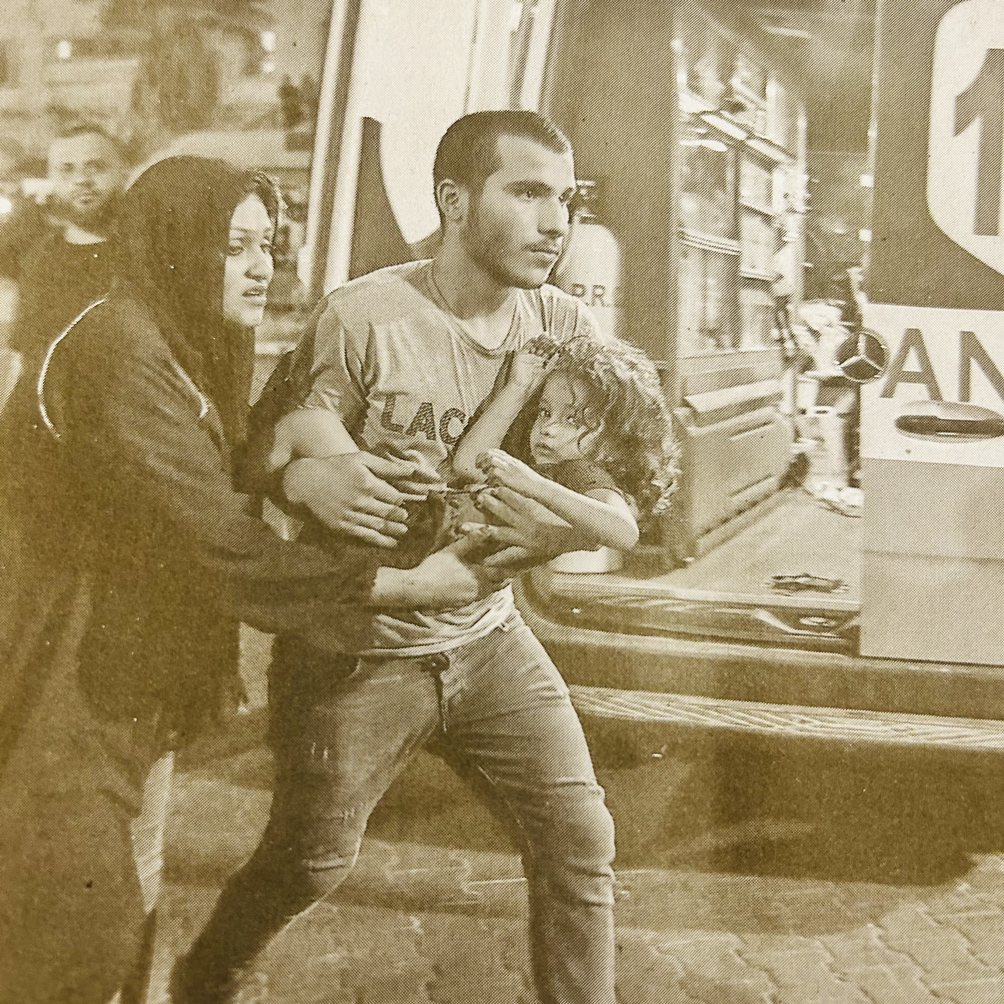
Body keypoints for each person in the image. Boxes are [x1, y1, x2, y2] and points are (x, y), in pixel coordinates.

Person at [0, 155, 499, 1004]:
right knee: (76, 929)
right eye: (234, 247)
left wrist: (304, 473)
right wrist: (413, 586)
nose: (260, 267)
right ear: (176, 245)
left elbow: (216, 470)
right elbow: (218, 543)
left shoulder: (182, 335)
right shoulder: (118, 346)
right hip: (60, 669)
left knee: (132, 887)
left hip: (128, 670)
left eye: (267, 244)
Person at [174, 110, 622, 1004]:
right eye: (528, 194)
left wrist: (572, 526)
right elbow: (259, 456)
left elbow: (596, 471)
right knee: (311, 859)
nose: (556, 224)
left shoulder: (563, 322)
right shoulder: (365, 315)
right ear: (454, 201)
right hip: (356, 651)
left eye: (566, 201)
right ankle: (205, 979)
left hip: (489, 638)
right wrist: (305, 479)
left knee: (581, 842)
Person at [450, 333, 676, 565]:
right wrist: (518, 387)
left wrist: (532, 484)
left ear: (615, 443)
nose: (548, 428)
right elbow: (468, 464)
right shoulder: (544, 467)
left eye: (572, 419)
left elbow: (625, 532)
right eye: (545, 412)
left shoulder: (580, 471)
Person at [0, 123, 127, 389]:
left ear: (122, 172)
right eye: (66, 170)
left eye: (96, 167)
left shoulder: (146, 255)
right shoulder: (38, 257)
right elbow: (24, 361)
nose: (81, 180)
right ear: (52, 180)